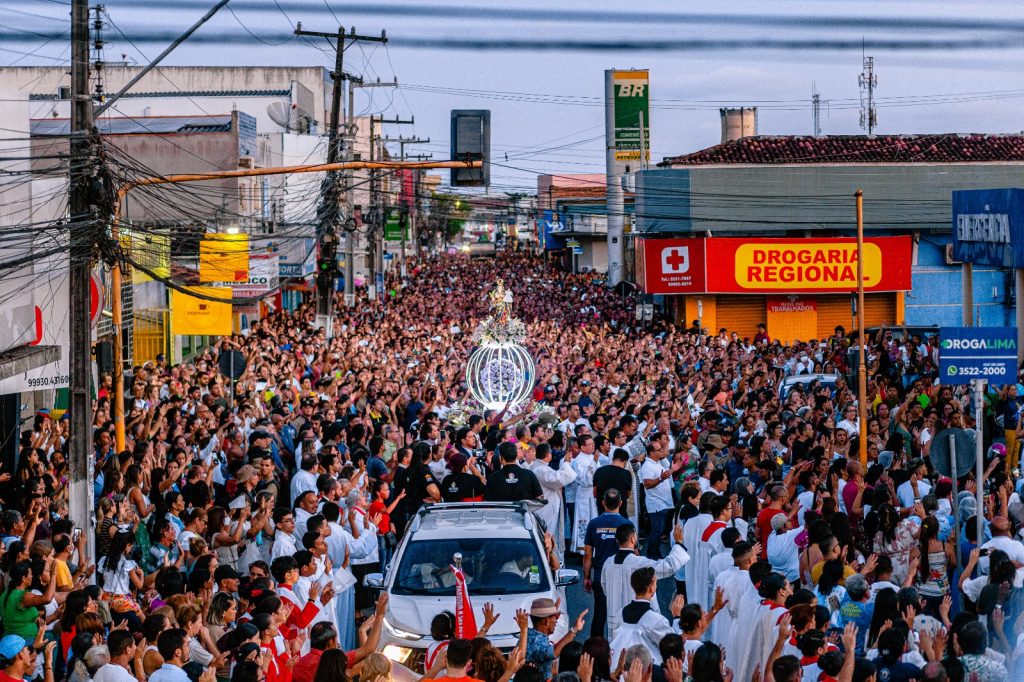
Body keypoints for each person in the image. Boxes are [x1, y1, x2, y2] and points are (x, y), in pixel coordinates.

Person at [601, 522, 689, 637]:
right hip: (640, 619)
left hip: (616, 617)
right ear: (633, 539)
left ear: (617, 541)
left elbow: (605, 588)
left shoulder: (608, 563)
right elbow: (667, 566)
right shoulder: (639, 563)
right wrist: (679, 543)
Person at [583, 490, 630, 638]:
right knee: (622, 613)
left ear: (603, 503)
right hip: (622, 577)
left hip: (600, 576)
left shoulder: (593, 524)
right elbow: (634, 554)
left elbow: (587, 554)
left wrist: (586, 577)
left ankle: (595, 650)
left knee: (600, 614)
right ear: (621, 504)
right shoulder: (627, 524)